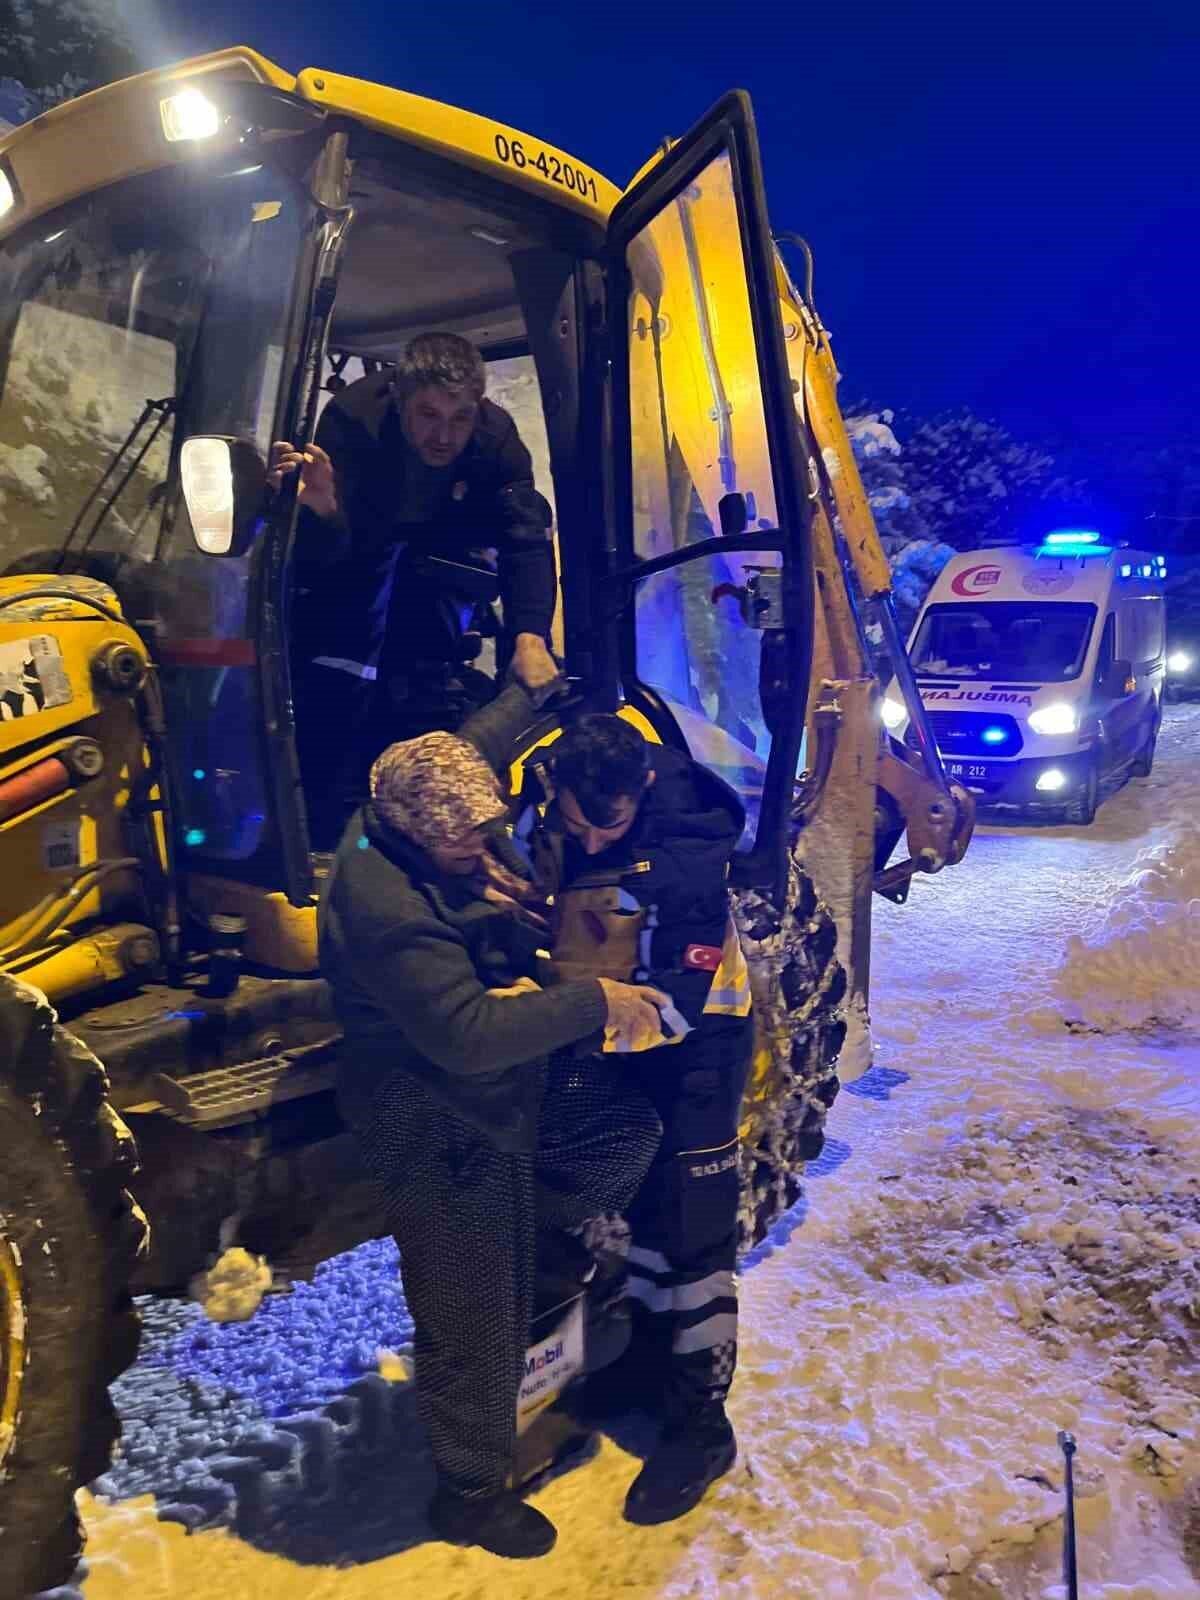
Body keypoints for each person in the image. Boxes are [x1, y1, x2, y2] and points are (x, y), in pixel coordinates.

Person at [318, 681, 664, 1560]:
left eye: (488, 830)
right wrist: (594, 1001)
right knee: (471, 1306)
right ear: (411, 835)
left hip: (500, 1089)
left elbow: (474, 746)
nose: (484, 848)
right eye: (466, 842)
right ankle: (469, 1493)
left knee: (623, 1132)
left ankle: (534, 1243)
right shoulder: (387, 909)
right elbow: (466, 1038)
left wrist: (532, 685)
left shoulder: (425, 796)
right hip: (428, 1106)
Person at [518, 714, 754, 1526]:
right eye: (576, 823)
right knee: (647, 1218)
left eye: (607, 827)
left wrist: (560, 1024)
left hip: (697, 1049)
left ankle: (701, 1426)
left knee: (694, 1237)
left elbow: (672, 1003)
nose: (589, 841)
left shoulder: (687, 856)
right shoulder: (560, 804)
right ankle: (648, 1367)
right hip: (626, 1046)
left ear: (644, 788)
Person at [271, 332, 561, 844]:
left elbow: (525, 540)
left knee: (428, 674)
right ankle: (328, 824)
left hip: (446, 555)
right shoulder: (353, 421)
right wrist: (323, 512)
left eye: (460, 418)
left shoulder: (496, 439)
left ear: (478, 409)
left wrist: (530, 637)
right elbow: (331, 560)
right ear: (400, 399)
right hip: (360, 552)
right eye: (428, 415)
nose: (444, 436)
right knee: (336, 679)